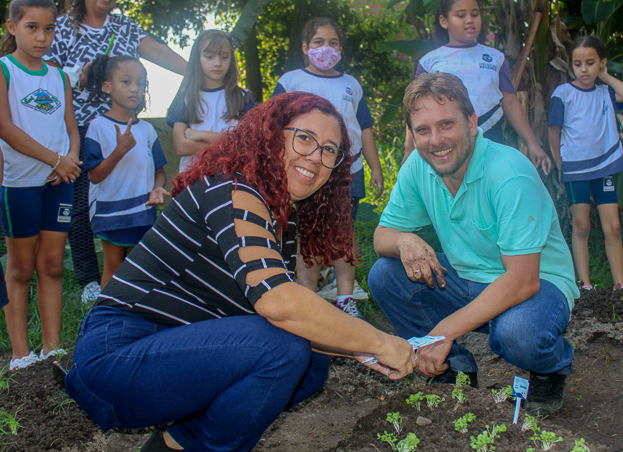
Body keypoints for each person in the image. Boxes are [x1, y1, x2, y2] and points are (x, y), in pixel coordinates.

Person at [65, 91, 415, 451]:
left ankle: (175, 443)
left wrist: (355, 347)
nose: (316, 156)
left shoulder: (281, 217)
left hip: (170, 350)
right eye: (305, 138)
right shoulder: (234, 189)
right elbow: (279, 304)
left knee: (310, 365)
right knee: (283, 348)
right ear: (270, 134)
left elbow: (289, 318)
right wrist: (378, 340)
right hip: (117, 356)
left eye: (330, 150)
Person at [369, 72, 579, 416]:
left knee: (519, 334)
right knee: (385, 273)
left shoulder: (508, 173)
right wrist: (405, 239)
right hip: (467, 280)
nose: (436, 140)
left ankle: (550, 369)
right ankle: (452, 369)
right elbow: (382, 236)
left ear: (472, 122)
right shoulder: (418, 168)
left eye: (447, 124)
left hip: (538, 285)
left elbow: (523, 280)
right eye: (423, 130)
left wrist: (442, 331)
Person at [46, 0, 187, 306]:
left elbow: (159, 53)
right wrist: (78, 72)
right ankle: (90, 281)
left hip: (125, 127)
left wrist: (198, 73)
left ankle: (133, 276)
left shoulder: (124, 26)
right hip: (79, 127)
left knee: (132, 197)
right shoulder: (64, 28)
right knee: (82, 204)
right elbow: (44, 73)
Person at [272, 17, 384, 319]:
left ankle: (345, 298)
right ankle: (307, 299)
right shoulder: (291, 81)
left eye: (333, 43)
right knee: (307, 233)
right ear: (306, 47)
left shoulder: (351, 85)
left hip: (349, 170)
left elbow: (365, 128)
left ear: (341, 48)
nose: (326, 48)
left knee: (342, 233)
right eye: (319, 42)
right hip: (305, 170)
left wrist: (375, 168)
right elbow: (272, 125)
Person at [0, 0, 81, 370]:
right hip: (19, 185)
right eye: (32, 28)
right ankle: (20, 354)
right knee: (19, 269)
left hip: (59, 182)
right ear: (12, 27)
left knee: (51, 265)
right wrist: (55, 159)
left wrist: (70, 160)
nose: (42, 37)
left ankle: (53, 348)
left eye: (49, 29)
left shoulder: (59, 76)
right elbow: (5, 127)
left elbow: (71, 129)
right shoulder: (4, 70)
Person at [405, 0, 551, 174]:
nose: (469, 20)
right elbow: (416, 109)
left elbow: (510, 102)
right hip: (447, 143)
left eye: (475, 14)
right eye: (460, 15)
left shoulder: (495, 58)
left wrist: (532, 143)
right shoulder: (430, 61)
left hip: (491, 138)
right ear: (444, 21)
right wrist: (409, 150)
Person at [548, 35, 623, 290]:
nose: (583, 69)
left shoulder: (606, 91)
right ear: (571, 65)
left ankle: (621, 285)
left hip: (604, 167)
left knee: (614, 227)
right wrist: (560, 165)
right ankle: (584, 284)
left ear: (601, 63)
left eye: (590, 63)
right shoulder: (562, 93)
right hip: (575, 171)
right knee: (582, 225)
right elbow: (554, 132)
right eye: (577, 64)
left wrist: (605, 76)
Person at [84, 55, 169, 289]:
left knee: (139, 268)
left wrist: (156, 189)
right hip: (111, 213)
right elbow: (94, 176)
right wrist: (119, 151)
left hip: (143, 210)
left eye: (140, 83)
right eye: (126, 82)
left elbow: (159, 172)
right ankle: (105, 316)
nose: (135, 89)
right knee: (113, 268)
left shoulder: (148, 130)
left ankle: (134, 315)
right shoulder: (98, 127)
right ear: (107, 87)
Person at [168, 30, 253, 173]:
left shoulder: (244, 97)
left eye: (224, 57)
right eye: (209, 56)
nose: (217, 63)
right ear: (198, 59)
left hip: (232, 177)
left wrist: (202, 135)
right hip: (193, 178)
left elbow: (247, 143)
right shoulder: (185, 98)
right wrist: (227, 143)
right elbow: (181, 147)